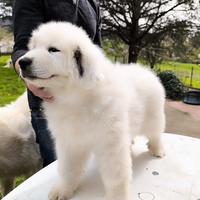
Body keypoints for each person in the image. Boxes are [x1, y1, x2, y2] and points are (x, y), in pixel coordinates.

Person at [12, 0, 101, 167]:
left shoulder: (92, 3)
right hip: (50, 105)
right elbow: (22, 49)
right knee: (58, 172)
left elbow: (96, 51)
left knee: (90, 170)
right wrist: (29, 80)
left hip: (86, 105)